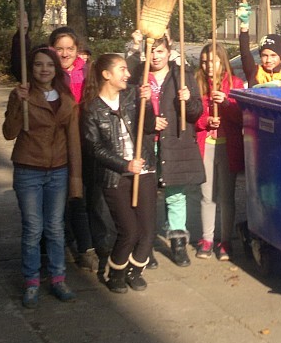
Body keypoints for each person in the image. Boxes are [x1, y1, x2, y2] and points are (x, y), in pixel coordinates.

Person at [3, 46, 84, 308]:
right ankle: (31, 281)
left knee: (55, 227)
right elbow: (8, 132)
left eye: (49, 64)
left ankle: (58, 278)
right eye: (38, 64)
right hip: (29, 169)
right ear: (31, 68)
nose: (44, 69)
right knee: (33, 228)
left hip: (58, 170)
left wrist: (75, 180)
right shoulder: (23, 94)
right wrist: (18, 103)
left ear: (56, 69)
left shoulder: (66, 98)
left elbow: (74, 142)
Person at [81, 54, 154, 292]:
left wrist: (148, 103)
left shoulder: (133, 95)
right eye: (122, 69)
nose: (128, 74)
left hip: (144, 170)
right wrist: (124, 165)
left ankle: (135, 270)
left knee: (147, 230)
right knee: (129, 231)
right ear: (106, 74)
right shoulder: (92, 108)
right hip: (115, 176)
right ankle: (116, 272)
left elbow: (149, 126)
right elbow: (94, 148)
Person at [130, 36, 204, 267]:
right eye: (151, 51)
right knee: (146, 195)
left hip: (174, 141)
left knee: (175, 194)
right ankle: (146, 245)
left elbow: (195, 113)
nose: (155, 56)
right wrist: (147, 114)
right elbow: (128, 110)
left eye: (160, 51)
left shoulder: (182, 75)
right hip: (146, 142)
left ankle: (178, 243)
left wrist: (188, 100)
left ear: (169, 52)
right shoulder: (138, 74)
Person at [195, 43, 245, 260]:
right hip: (206, 145)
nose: (208, 66)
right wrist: (206, 120)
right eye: (204, 61)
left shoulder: (235, 83)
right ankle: (207, 238)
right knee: (207, 195)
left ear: (222, 61)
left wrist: (225, 103)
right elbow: (192, 115)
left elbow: (241, 116)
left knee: (226, 196)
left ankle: (225, 240)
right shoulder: (197, 83)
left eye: (213, 61)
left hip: (227, 146)